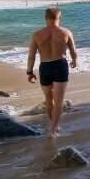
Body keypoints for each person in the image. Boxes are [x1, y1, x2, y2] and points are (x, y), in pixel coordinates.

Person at [26, 7, 78, 138]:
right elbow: (73, 51)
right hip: (60, 65)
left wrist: (29, 72)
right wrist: (74, 61)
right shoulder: (66, 32)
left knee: (49, 100)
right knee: (59, 101)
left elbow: (31, 56)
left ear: (45, 18)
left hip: (45, 67)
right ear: (59, 18)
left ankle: (53, 125)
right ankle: (53, 129)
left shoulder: (37, 34)